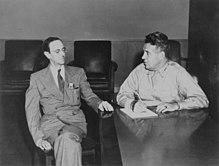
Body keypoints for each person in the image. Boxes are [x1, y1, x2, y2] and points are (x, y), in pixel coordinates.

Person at [25, 37, 114, 166]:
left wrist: (99, 103)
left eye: (63, 49)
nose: (62, 54)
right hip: (51, 127)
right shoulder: (37, 78)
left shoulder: (77, 73)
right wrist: (38, 138)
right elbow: (31, 111)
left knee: (67, 138)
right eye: (57, 51)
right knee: (67, 141)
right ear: (47, 54)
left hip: (75, 124)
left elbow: (89, 96)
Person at [116, 31, 209, 114]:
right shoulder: (139, 71)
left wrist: (176, 105)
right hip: (143, 120)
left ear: (161, 55)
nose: (143, 57)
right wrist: (132, 104)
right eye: (144, 52)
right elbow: (121, 95)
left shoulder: (177, 72)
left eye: (147, 53)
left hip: (169, 122)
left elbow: (202, 100)